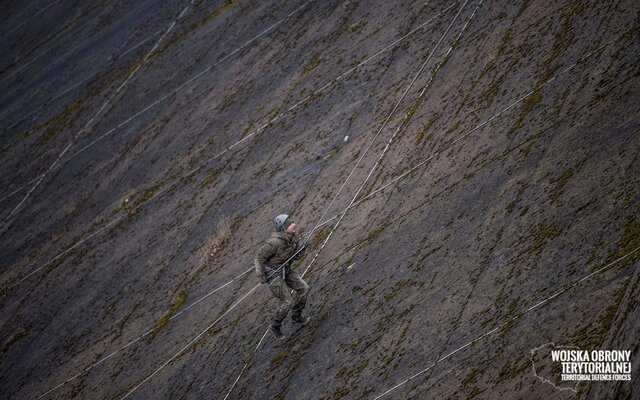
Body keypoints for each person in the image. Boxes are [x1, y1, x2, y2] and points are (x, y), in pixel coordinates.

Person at [254, 214, 310, 339]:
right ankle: (275, 325)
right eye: (290, 224)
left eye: (293, 222)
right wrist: (261, 275)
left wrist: (303, 249)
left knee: (304, 288)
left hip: (286, 270)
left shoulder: (294, 237)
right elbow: (259, 258)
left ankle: (296, 316)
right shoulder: (273, 243)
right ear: (283, 228)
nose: (294, 224)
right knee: (287, 302)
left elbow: (295, 256)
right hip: (273, 275)